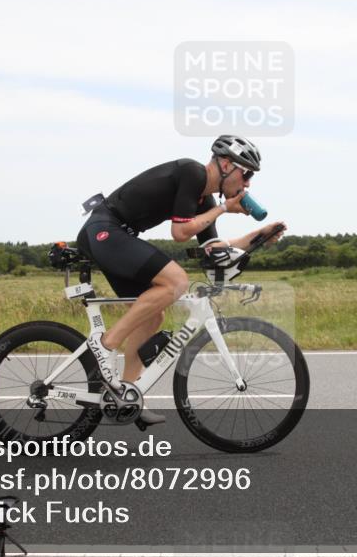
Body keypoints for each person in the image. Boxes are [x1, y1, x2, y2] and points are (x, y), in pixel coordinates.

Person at [75, 135, 286, 426]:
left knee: (152, 317)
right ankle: (106, 343)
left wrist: (258, 237)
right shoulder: (192, 172)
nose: (247, 183)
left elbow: (211, 249)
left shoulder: (205, 201)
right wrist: (224, 208)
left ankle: (125, 394)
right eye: (246, 173)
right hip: (105, 230)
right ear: (226, 165)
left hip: (116, 235)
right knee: (176, 281)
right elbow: (180, 233)